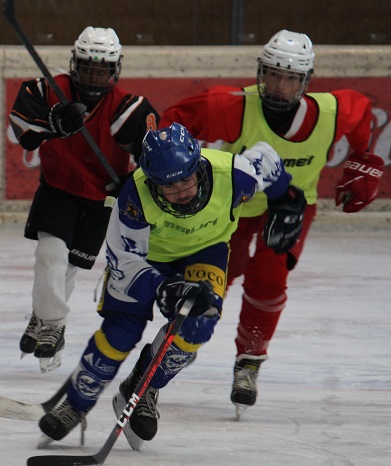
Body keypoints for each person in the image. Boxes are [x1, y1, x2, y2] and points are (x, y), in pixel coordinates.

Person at [37, 123, 305, 450]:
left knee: (199, 323)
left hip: (207, 251)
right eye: (166, 185)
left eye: (184, 180)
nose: (178, 192)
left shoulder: (234, 173)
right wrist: (165, 286)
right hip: (146, 259)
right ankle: (77, 403)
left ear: (198, 168)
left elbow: (268, 158)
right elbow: (124, 259)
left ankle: (144, 386)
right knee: (121, 331)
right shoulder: (135, 195)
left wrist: (287, 202)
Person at [160, 30, 384, 417]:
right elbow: (171, 125)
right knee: (214, 276)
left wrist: (363, 160)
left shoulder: (330, 112)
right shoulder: (230, 105)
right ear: (261, 73)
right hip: (235, 203)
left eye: (291, 78)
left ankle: (249, 358)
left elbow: (361, 110)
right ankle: (182, 342)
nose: (280, 86)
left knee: (269, 278)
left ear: (306, 81)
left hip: (293, 205)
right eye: (274, 75)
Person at [9, 26, 159, 373]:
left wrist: (132, 181)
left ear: (114, 70)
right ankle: (55, 326)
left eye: (101, 69)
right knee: (50, 256)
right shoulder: (51, 90)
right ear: (75, 64)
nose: (93, 76)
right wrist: (52, 123)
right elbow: (23, 129)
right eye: (88, 67)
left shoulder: (127, 107)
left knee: (70, 269)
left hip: (101, 200)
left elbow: (154, 155)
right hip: (58, 189)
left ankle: (40, 318)